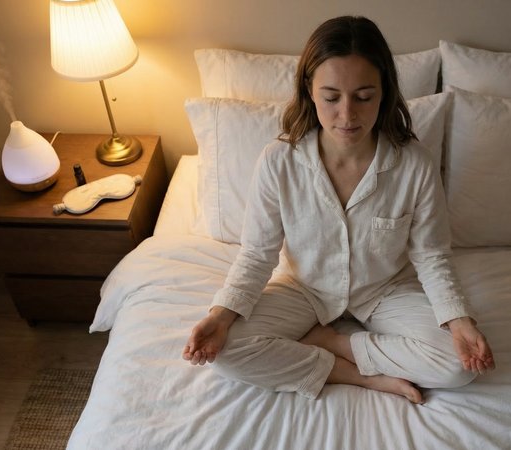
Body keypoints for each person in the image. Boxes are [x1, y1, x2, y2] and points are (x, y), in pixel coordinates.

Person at [182, 15, 494, 404]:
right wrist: (221, 315)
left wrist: (459, 321)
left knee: (457, 363)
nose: (347, 115)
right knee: (225, 351)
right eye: (331, 97)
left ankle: (333, 343)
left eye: (364, 97)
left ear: (385, 93)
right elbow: (257, 254)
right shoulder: (278, 162)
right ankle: (354, 375)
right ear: (309, 91)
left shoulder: (414, 164)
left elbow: (431, 255)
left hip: (384, 289)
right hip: (303, 288)